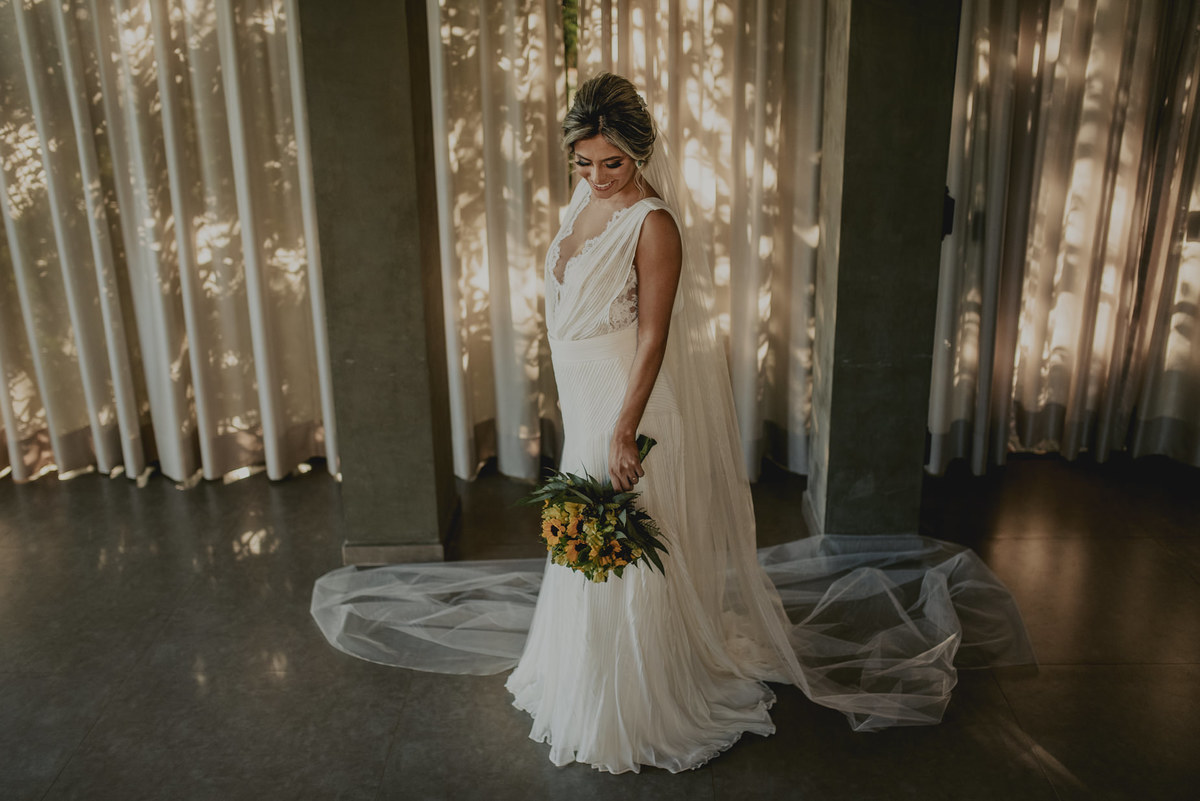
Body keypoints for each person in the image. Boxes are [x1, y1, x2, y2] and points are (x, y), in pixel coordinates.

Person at [310, 72, 1035, 776]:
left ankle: (636, 700)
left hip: (629, 404)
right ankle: (584, 674)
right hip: (587, 395)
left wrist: (624, 429)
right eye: (584, 161)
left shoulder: (653, 224)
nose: (597, 176)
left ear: (642, 152)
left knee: (622, 544)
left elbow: (653, 338)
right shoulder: (582, 198)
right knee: (587, 540)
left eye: (613, 163)